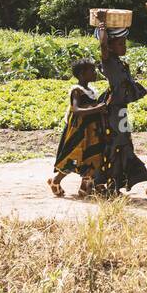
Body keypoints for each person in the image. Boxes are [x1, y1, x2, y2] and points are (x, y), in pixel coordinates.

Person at [94, 12, 147, 192]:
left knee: (124, 143)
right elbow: (102, 44)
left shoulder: (120, 64)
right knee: (114, 145)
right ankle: (108, 184)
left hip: (121, 110)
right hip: (111, 110)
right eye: (120, 43)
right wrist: (102, 24)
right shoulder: (108, 61)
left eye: (124, 43)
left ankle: (116, 183)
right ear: (110, 47)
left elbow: (129, 86)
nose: (124, 46)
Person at [48, 57, 108, 198]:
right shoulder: (77, 91)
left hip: (92, 132)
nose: (95, 73)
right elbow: (76, 110)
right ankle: (55, 181)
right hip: (79, 132)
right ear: (82, 74)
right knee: (73, 158)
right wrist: (97, 109)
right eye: (91, 71)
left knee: (91, 157)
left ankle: (84, 187)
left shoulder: (91, 90)